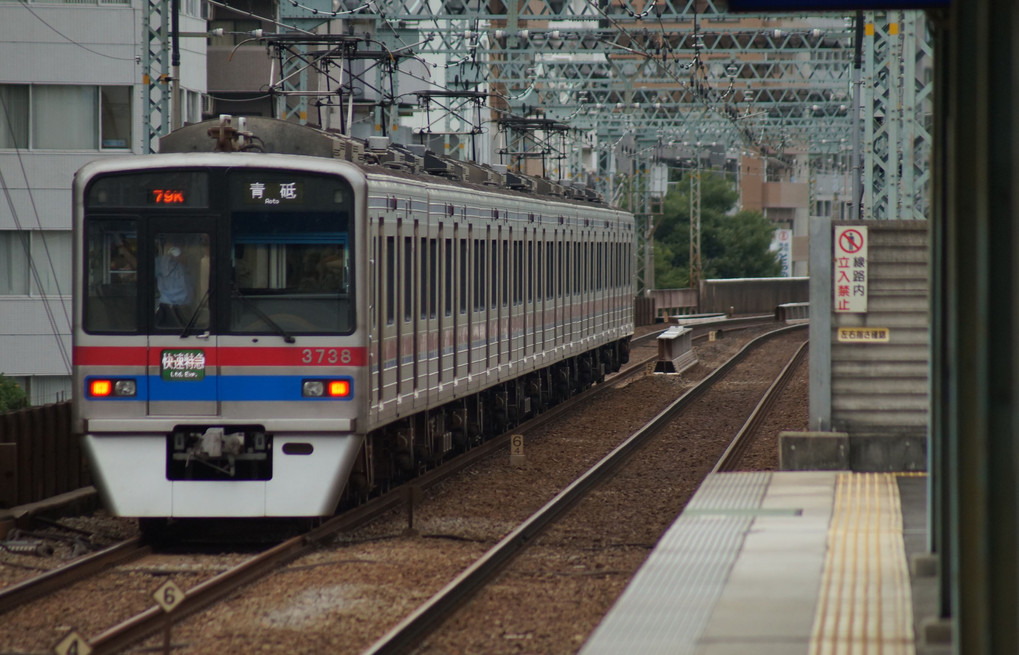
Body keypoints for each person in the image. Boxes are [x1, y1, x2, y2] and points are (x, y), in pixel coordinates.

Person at [155, 239, 193, 327]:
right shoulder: (160, 262)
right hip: (167, 307)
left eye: (177, 245)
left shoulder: (188, 260)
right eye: (170, 245)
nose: (174, 248)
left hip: (185, 308)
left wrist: (179, 256)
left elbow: (188, 266)